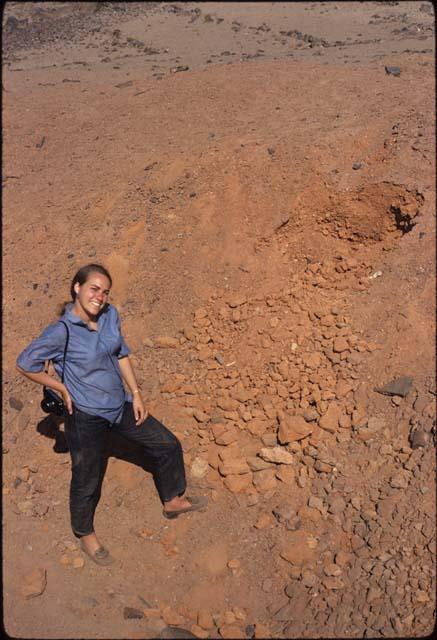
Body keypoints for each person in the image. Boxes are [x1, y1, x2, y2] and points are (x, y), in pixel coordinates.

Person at [16, 264, 207, 566]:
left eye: (105, 291)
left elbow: (121, 354)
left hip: (119, 405)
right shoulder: (61, 331)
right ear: (76, 287)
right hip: (85, 416)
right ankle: (84, 533)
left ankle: (172, 500)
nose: (100, 296)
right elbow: (25, 363)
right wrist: (61, 388)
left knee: (167, 444)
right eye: (94, 288)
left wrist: (136, 394)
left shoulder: (109, 316)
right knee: (87, 477)